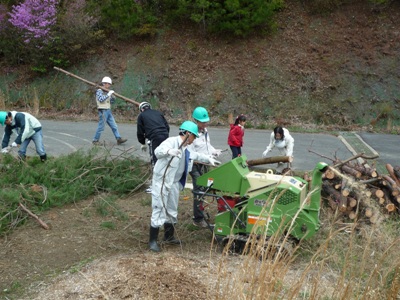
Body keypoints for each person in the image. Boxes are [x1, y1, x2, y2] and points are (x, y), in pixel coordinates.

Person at [149, 120, 220, 252]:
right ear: (187, 133)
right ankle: (152, 241)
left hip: (174, 182)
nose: (194, 140)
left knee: (171, 209)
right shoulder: (171, 142)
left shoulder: (186, 148)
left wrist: (208, 158)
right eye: (193, 136)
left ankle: (168, 236)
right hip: (162, 181)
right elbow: (158, 151)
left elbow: (195, 155)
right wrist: (169, 151)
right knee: (159, 208)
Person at [188, 106, 222, 228]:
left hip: (205, 164)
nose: (205, 124)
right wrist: (204, 158)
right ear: (195, 121)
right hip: (195, 165)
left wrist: (214, 151)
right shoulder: (190, 133)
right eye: (202, 122)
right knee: (199, 190)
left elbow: (207, 145)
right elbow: (191, 153)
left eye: (206, 121)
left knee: (209, 187)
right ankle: (198, 218)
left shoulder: (205, 131)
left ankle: (203, 210)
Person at [136, 102, 170, 193]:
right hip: (165, 135)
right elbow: (167, 126)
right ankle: (165, 182)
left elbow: (140, 131)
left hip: (154, 137)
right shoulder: (158, 113)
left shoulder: (141, 115)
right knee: (164, 158)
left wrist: (142, 142)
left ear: (141, 109)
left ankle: (155, 186)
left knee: (155, 161)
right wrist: (165, 135)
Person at [92, 76, 127, 146]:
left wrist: (113, 98)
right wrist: (108, 94)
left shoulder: (108, 92)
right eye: (106, 83)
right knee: (101, 127)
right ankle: (95, 140)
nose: (107, 85)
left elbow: (111, 102)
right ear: (103, 83)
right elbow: (101, 99)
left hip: (108, 110)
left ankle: (118, 138)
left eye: (109, 84)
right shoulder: (99, 91)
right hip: (103, 111)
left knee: (114, 126)